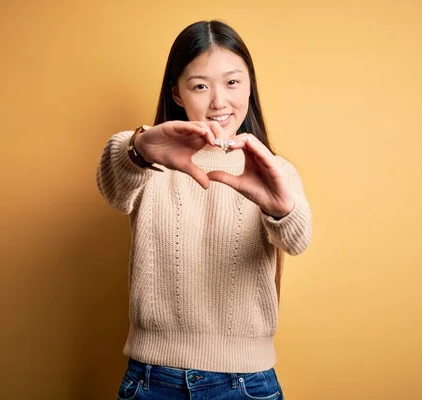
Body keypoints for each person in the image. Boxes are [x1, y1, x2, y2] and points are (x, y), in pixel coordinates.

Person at [96, 19, 312, 400]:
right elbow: (114, 186)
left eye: (232, 82)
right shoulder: (149, 156)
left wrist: (280, 208)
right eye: (199, 85)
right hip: (152, 380)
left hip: (244, 384)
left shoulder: (272, 169)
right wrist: (141, 149)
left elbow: (297, 240)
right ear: (177, 93)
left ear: (249, 86)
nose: (218, 102)